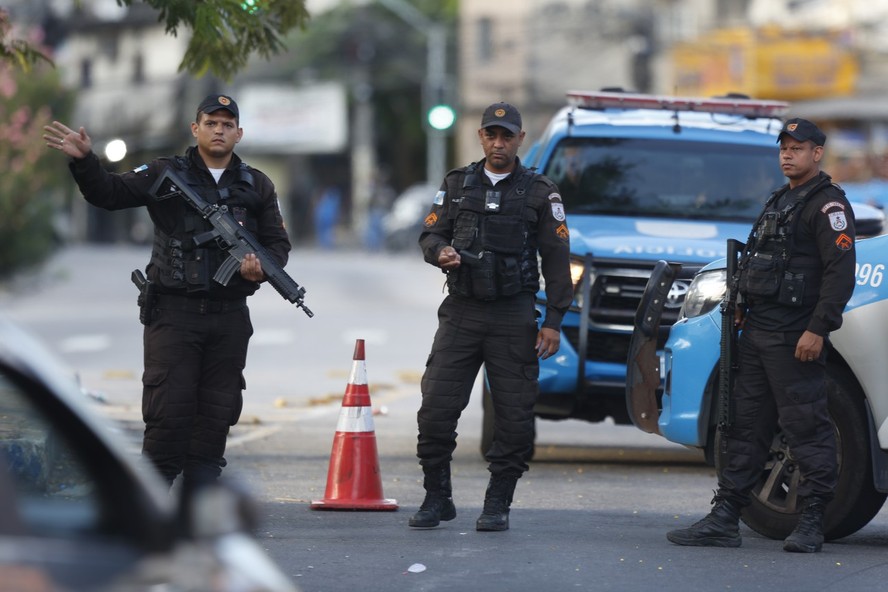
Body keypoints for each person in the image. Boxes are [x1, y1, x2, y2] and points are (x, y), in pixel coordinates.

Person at [43, 94, 292, 489]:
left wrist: (260, 269)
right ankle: (153, 510)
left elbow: (278, 244)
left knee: (216, 414)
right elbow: (108, 194)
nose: (219, 130)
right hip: (174, 315)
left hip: (229, 319)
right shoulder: (164, 172)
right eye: (211, 123)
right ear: (196, 129)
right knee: (168, 414)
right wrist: (85, 161)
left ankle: (199, 510)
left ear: (239, 134)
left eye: (228, 125)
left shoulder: (257, 184)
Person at [666, 118, 856, 553]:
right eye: (783, 148)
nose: (788, 155)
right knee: (744, 425)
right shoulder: (780, 200)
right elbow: (758, 263)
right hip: (757, 332)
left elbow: (839, 274)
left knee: (805, 426)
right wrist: (739, 308)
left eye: (798, 148)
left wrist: (817, 330)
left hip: (795, 337)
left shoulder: (827, 206)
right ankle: (726, 515)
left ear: (817, 153)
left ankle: (811, 521)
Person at [410, 102, 572, 531]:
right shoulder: (458, 183)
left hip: (513, 315)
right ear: (480, 137)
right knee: (435, 411)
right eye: (491, 135)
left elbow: (557, 259)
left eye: (507, 136)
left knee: (515, 417)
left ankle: (498, 503)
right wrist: (438, 251)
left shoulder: (541, 191)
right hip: (462, 312)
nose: (498, 143)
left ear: (521, 140)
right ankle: (436, 498)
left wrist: (554, 320)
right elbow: (430, 230)